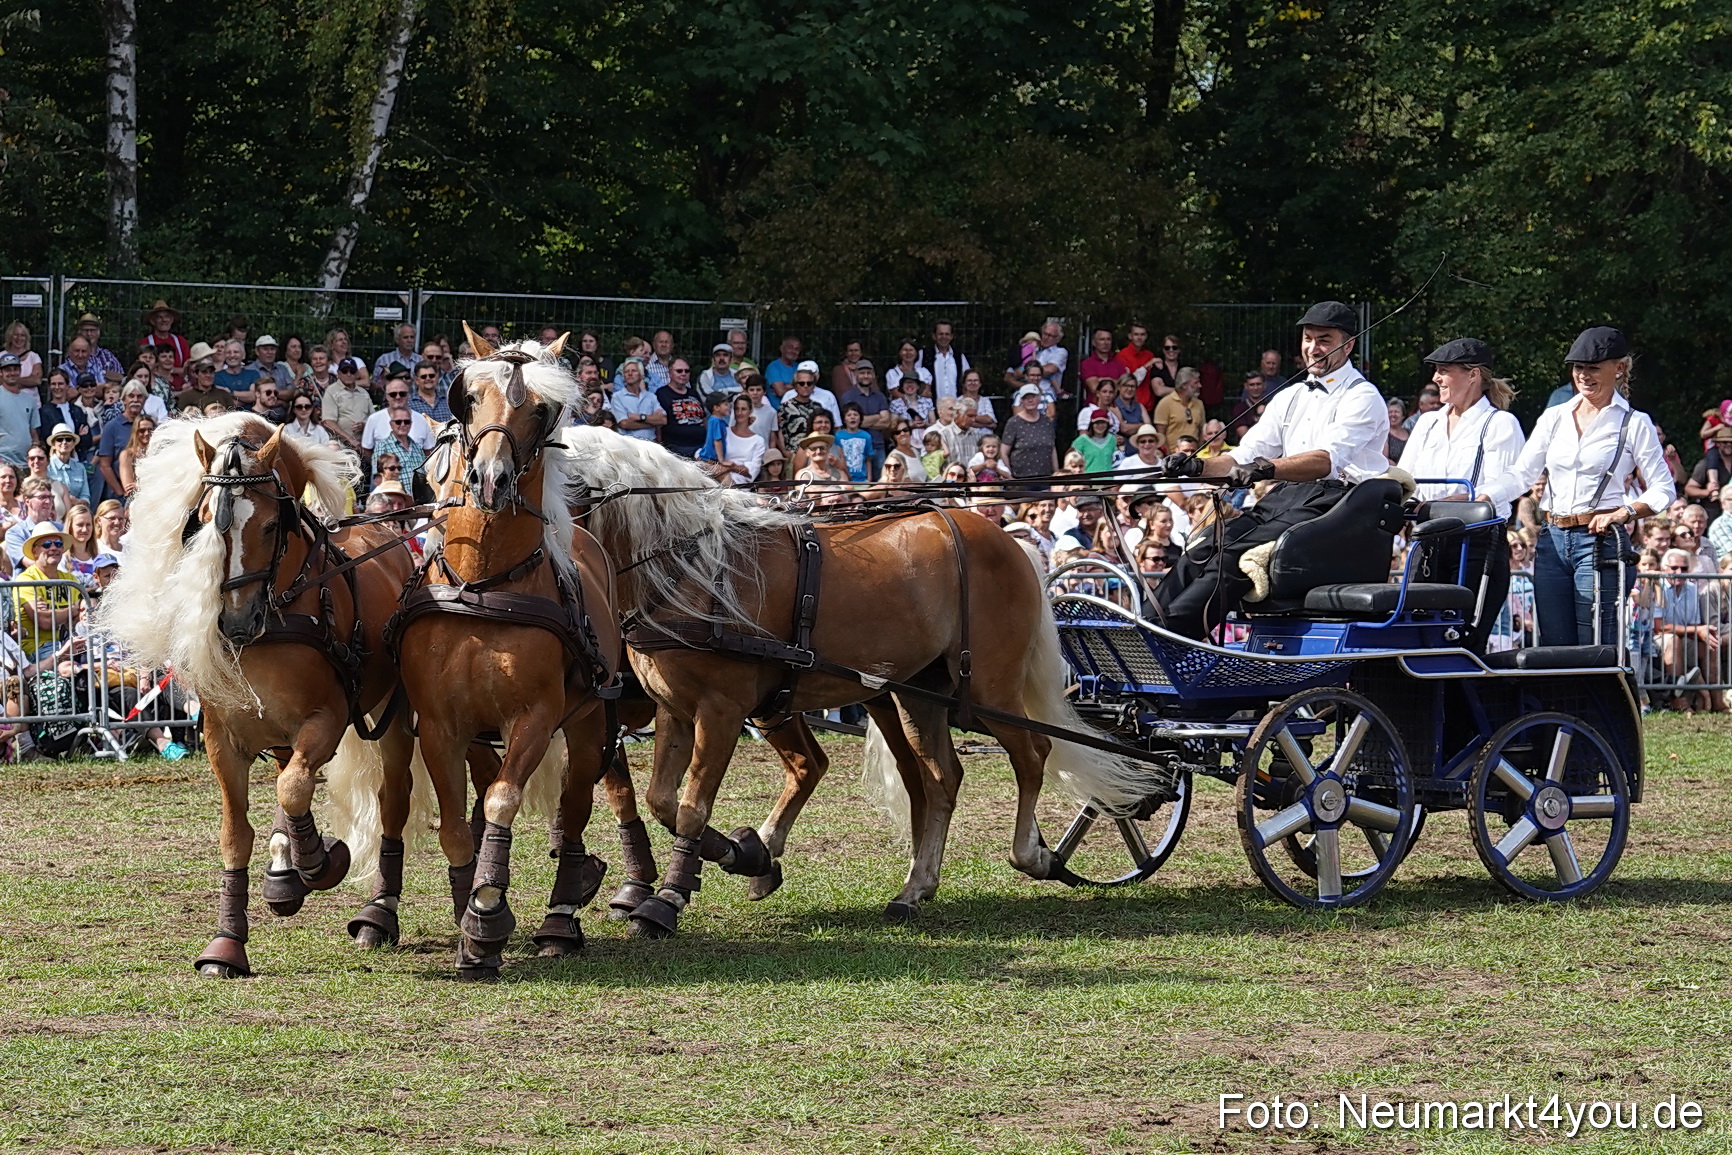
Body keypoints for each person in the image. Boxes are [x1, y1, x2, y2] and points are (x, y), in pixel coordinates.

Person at [1153, 300, 1389, 639]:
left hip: (1339, 504)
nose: (1313, 348)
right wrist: (1196, 466)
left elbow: (1325, 460)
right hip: (1288, 495)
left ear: (1347, 344)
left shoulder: (1361, 396)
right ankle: (1142, 627)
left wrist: (1264, 468)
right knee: (1205, 545)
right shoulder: (1291, 395)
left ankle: (1169, 638)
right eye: (1308, 338)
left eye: (1324, 339)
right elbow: (1244, 455)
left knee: (1235, 553)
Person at [1479, 327, 1674, 648]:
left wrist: (1625, 512)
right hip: (1551, 540)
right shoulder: (1555, 416)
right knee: (1554, 643)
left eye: (1594, 367)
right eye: (1578, 367)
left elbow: (1664, 488)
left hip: (1598, 542)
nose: (1583, 375)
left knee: (1595, 642)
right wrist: (1485, 496)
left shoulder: (1634, 422)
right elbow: (1522, 473)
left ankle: (1608, 699)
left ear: (1619, 368)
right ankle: (1560, 701)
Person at [1400, 339, 1527, 650]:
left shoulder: (1499, 423)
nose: (1436, 379)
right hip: (1427, 541)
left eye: (1444, 371)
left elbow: (1512, 480)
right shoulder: (1428, 422)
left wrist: (1469, 500)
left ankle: (1465, 699)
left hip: (1476, 544)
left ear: (1472, 375)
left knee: (1462, 640)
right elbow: (1405, 478)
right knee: (1418, 635)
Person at [12, 526, 79, 659]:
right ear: (34, 551)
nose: (53, 548)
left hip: (68, 642)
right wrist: (73, 610)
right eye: (47, 545)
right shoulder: (27, 579)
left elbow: (81, 617)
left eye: (58, 544)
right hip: (38, 648)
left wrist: (57, 613)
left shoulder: (70, 579)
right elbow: (44, 620)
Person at [999, 384, 1058, 483]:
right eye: (1026, 398)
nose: (1030, 400)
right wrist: (1009, 475)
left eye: (1033, 397)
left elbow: (1052, 448)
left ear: (1039, 398)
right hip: (1021, 479)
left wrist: (1056, 473)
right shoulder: (1013, 422)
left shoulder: (1046, 421)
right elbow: (1003, 452)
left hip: (1046, 478)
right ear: (1021, 401)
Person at [655, 357, 708, 457]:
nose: (683, 374)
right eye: (679, 371)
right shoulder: (662, 393)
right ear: (670, 373)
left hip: (701, 446)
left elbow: (704, 419)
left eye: (687, 371)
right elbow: (659, 424)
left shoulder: (694, 393)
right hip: (676, 447)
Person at [722, 394, 766, 485]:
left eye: (743, 409)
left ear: (750, 411)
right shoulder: (724, 432)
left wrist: (729, 468)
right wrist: (738, 468)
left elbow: (751, 472)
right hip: (720, 481)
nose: (739, 413)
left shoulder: (758, 440)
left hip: (742, 487)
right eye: (737, 409)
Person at [44, 425, 89, 507]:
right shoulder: (46, 466)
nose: (64, 442)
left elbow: (86, 498)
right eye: (59, 439)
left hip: (76, 513)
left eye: (68, 439)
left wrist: (77, 501)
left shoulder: (80, 468)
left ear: (73, 444)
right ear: (53, 444)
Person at [834, 402, 878, 482]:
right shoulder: (838, 436)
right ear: (844, 419)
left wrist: (869, 478)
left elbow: (868, 459)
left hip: (862, 479)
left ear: (860, 418)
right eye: (849, 415)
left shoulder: (866, 436)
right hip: (844, 479)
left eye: (855, 414)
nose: (852, 417)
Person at [117, 416, 155, 500]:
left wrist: (138, 485)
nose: (146, 433)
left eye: (150, 430)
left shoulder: (159, 454)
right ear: (135, 432)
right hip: (136, 500)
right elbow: (129, 487)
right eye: (142, 430)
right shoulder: (127, 455)